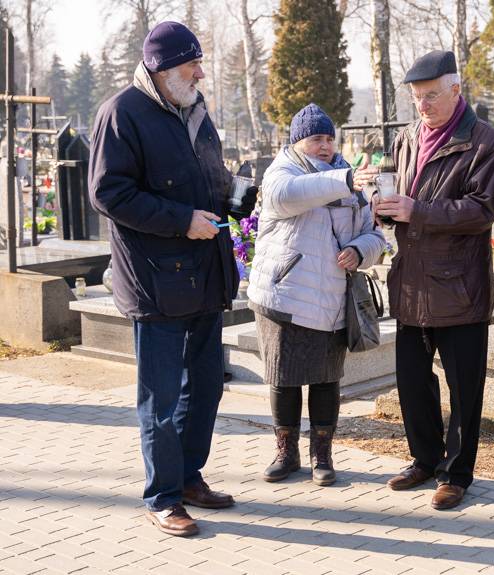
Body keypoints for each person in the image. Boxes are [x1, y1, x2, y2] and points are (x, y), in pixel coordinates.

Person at [89, 21, 257, 537]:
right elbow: (109, 193)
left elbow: (208, 176)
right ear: (162, 70)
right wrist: (182, 220)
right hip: (156, 279)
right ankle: (162, 495)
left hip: (204, 276)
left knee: (205, 386)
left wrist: (238, 194)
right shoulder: (122, 113)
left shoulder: (195, 111)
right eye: (192, 66)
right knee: (160, 397)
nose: (200, 73)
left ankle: (188, 476)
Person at [354, 50, 494, 510]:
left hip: (459, 285)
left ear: (456, 90)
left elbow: (482, 212)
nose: (422, 105)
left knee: (464, 389)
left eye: (431, 96)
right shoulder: (406, 139)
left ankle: (456, 474)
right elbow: (397, 196)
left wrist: (416, 210)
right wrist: (376, 203)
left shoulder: (484, 142)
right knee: (412, 382)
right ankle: (423, 459)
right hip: (412, 282)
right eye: (417, 97)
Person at [247, 104, 385, 486]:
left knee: (327, 379)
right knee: (284, 378)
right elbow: (288, 196)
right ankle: (286, 452)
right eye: (315, 139)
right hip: (284, 296)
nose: (324, 146)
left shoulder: (351, 179)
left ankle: (322, 456)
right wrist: (345, 179)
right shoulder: (283, 171)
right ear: (297, 142)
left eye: (328, 138)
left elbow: (374, 234)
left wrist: (360, 251)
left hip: (331, 298)